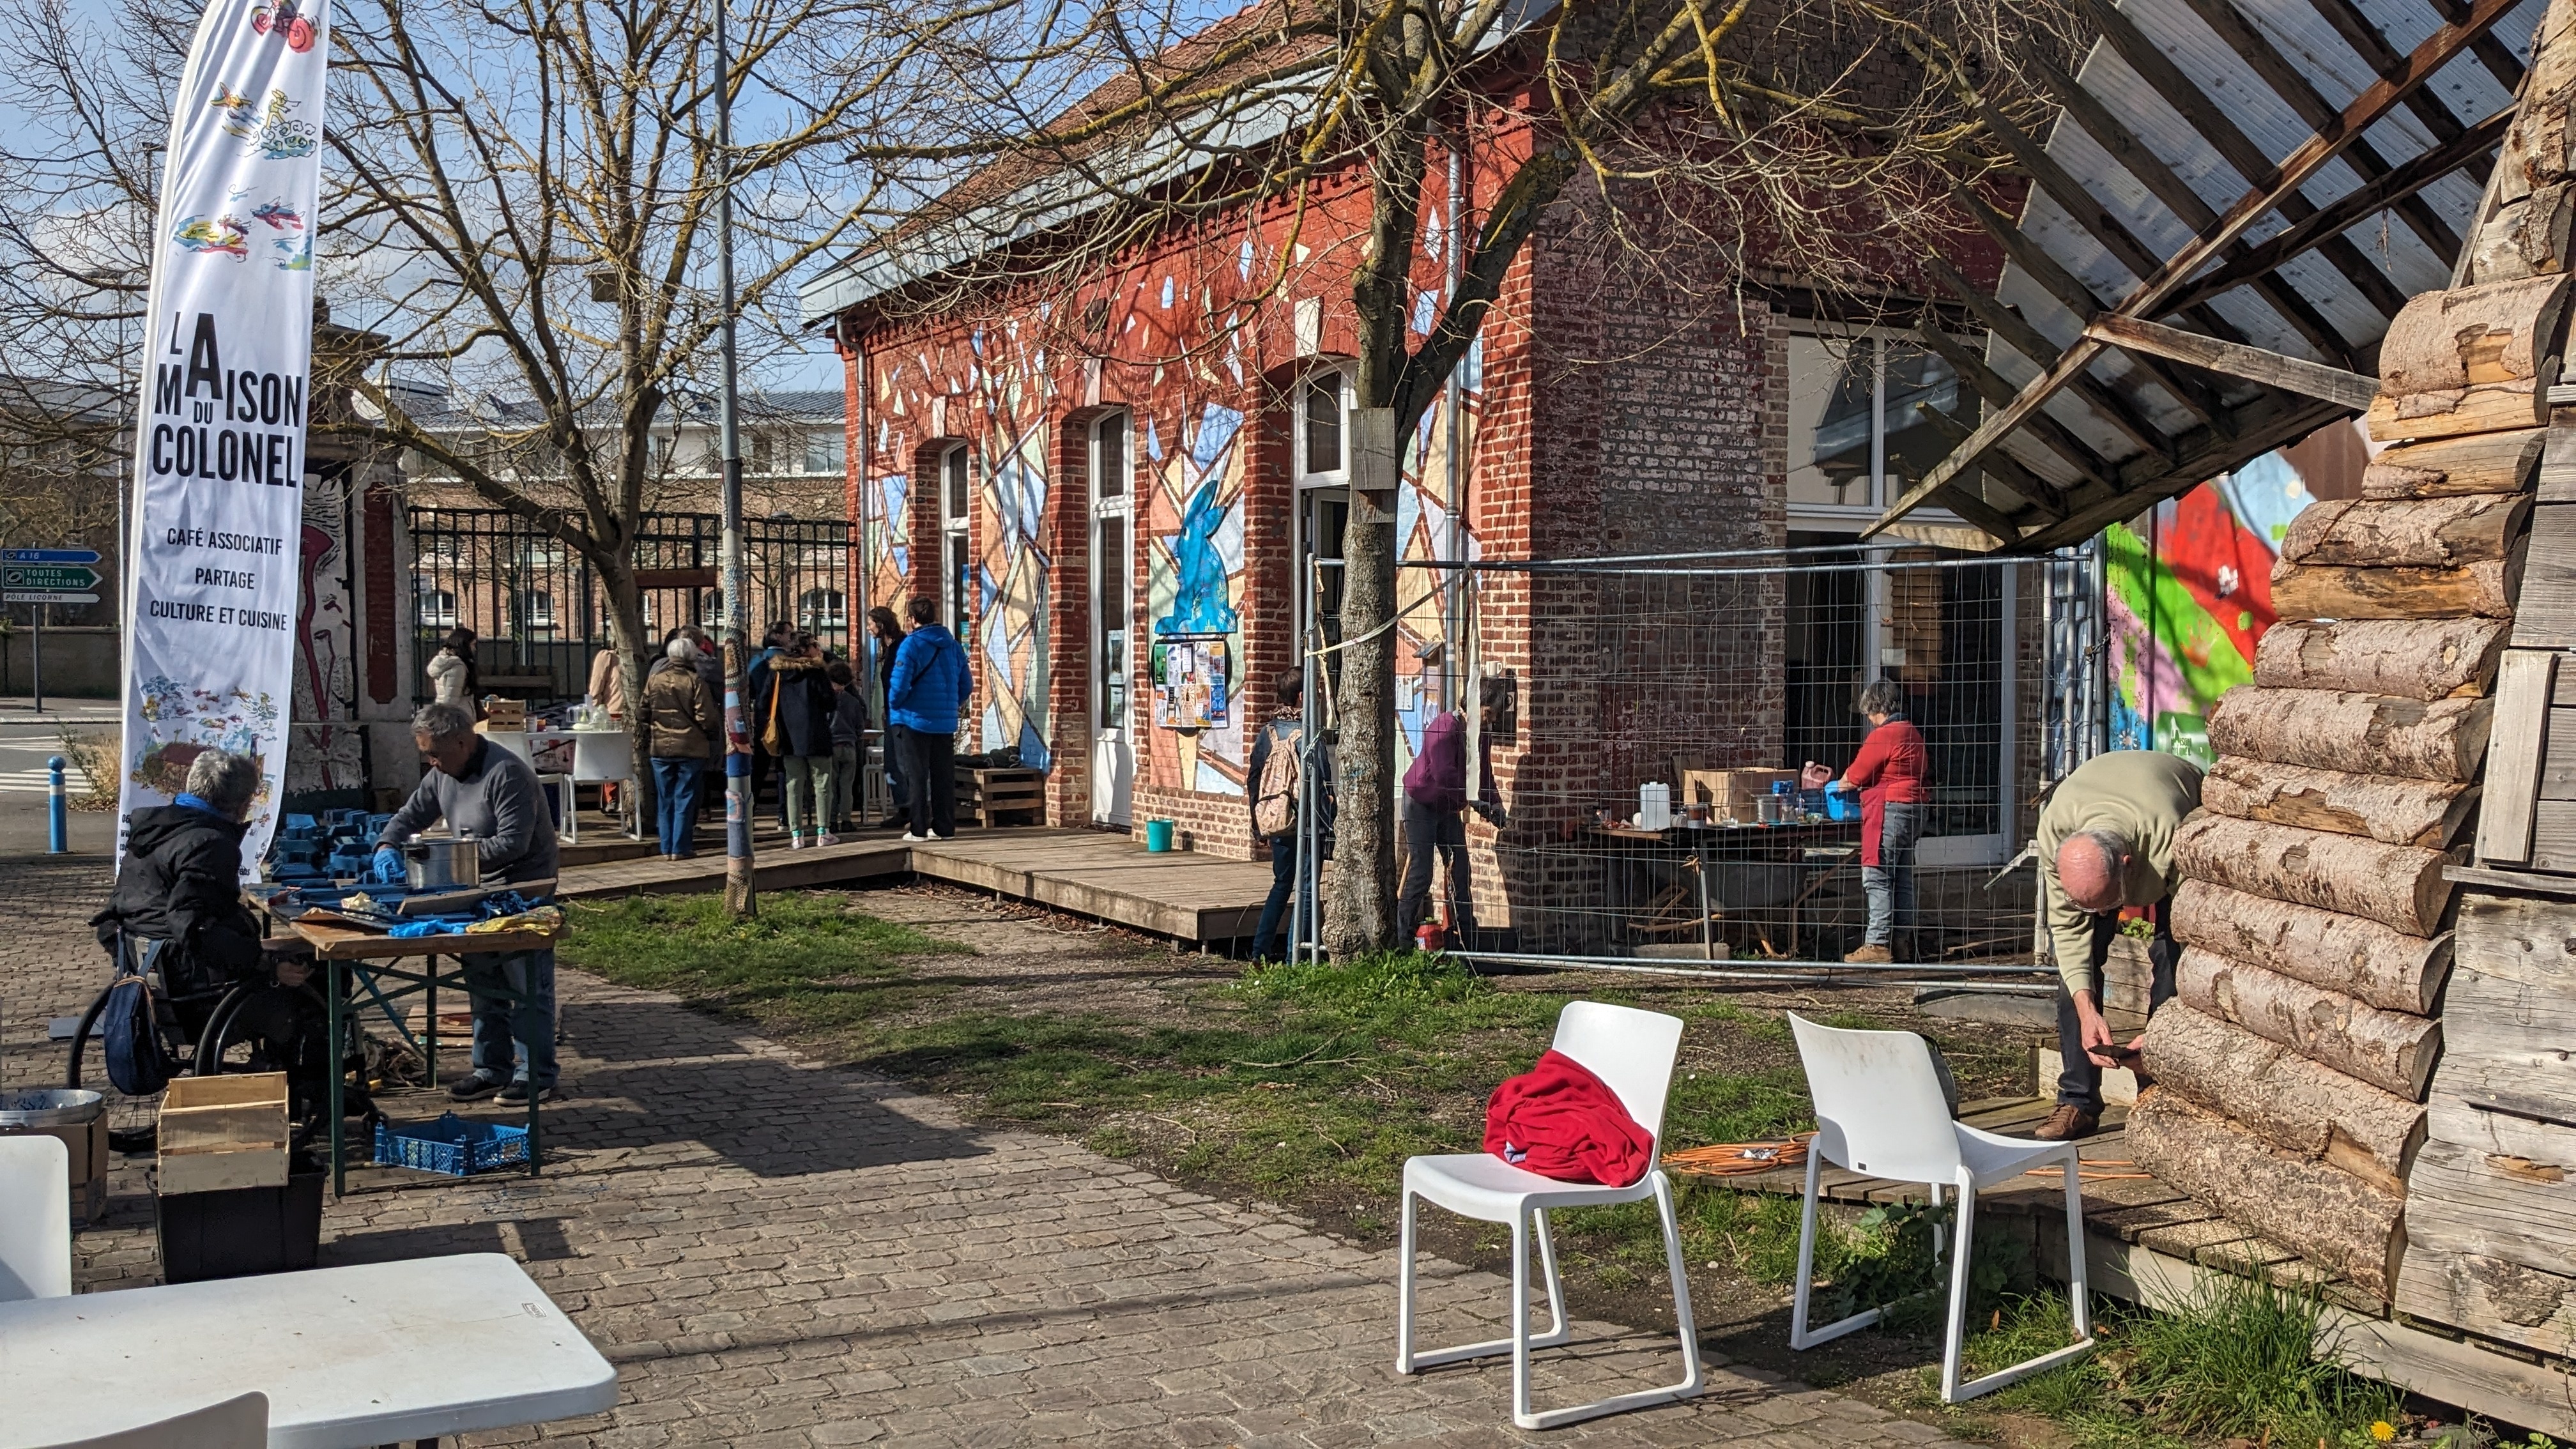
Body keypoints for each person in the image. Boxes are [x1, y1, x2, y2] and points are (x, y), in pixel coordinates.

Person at [93, 750, 320, 1108]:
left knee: (281, 950)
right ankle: (315, 1095)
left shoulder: (151, 835)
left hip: (152, 983)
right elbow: (192, 927)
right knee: (319, 977)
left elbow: (114, 920)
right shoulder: (211, 844)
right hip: (198, 994)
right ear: (242, 804)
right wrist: (265, 965)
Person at [374, 702, 563, 1104]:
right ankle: (491, 1068)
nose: (431, 762)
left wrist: (450, 862)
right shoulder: (442, 774)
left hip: (523, 892)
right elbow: (410, 815)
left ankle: (537, 1075)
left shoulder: (507, 773)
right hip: (476, 892)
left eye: (436, 753)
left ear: (461, 741)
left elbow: (513, 842)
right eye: (426, 754)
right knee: (483, 982)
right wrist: (387, 844)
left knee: (526, 986)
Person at [2028, 748, 2204, 1141]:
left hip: (2176, 810)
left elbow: (2193, 935)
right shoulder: (2057, 833)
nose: (2102, 914)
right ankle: (2078, 1100)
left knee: (2173, 961)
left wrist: (2162, 1034)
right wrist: (2087, 1011)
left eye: (2106, 904)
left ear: (2127, 865)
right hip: (2109, 819)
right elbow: (2071, 936)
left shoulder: (2169, 837)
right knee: (2076, 977)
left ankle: (2158, 1092)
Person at [1397, 675, 1508, 946]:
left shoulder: (1479, 734)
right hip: (1422, 803)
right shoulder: (1445, 728)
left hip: (1448, 808)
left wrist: (1494, 803)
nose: (1490, 720)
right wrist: (1474, 801)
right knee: (1422, 872)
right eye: (1488, 713)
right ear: (1473, 704)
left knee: (1461, 869)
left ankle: (1468, 938)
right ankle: (1401, 939)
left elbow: (1483, 774)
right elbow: (1444, 774)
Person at [1835, 679, 1928, 965]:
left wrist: (1838, 786)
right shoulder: (1912, 732)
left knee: (1876, 876)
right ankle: (1900, 942)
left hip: (1890, 810)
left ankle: (1876, 944)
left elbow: (1854, 777)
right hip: (1915, 809)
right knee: (1901, 878)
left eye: (1869, 715)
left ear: (1876, 709)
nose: (1869, 721)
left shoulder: (1885, 735)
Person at [1246, 673, 1332, 962]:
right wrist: (1329, 824)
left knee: (1282, 884)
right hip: (1308, 824)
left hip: (1278, 820)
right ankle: (1297, 956)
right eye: (1316, 691)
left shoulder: (1267, 732)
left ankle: (1260, 951)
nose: (1319, 697)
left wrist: (1259, 823)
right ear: (1301, 697)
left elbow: (1254, 779)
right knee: (1308, 888)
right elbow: (1321, 784)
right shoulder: (1308, 735)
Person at [885, 597, 971, 841]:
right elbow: (966, 684)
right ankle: (944, 827)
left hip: (914, 720)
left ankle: (918, 828)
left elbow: (899, 685)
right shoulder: (953, 645)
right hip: (944, 722)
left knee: (916, 775)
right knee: (944, 774)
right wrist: (950, 704)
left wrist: (894, 705)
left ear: (912, 620)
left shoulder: (910, 645)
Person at [760, 634, 841, 848]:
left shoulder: (777, 673)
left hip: (788, 736)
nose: (819, 648)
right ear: (805, 649)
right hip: (816, 734)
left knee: (793, 784)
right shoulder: (816, 672)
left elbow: (762, 703)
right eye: (815, 645)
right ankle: (823, 832)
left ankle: (796, 834)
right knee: (822, 783)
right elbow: (830, 703)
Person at [643, 635, 720, 858]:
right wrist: (712, 733)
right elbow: (706, 716)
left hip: (660, 747)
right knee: (685, 797)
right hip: (691, 747)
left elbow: (643, 711)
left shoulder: (654, 680)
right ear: (691, 656)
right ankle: (681, 847)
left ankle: (666, 847)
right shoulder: (695, 681)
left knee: (665, 798)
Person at [866, 606, 907, 829]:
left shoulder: (901, 647)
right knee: (893, 764)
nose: (868, 628)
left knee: (897, 763)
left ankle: (908, 809)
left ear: (881, 625)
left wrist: (893, 706)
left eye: (871, 623)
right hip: (893, 713)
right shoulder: (890, 647)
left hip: (901, 715)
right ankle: (904, 807)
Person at [827, 659, 868, 834]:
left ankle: (831, 820)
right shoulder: (853, 701)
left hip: (831, 745)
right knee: (847, 786)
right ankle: (846, 819)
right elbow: (860, 726)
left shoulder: (827, 700)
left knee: (830, 786)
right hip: (850, 746)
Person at [426, 626, 478, 710]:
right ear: (464, 645)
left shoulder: (445, 662)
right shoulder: (457, 667)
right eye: (473, 644)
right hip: (459, 716)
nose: (474, 649)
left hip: (444, 711)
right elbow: (451, 699)